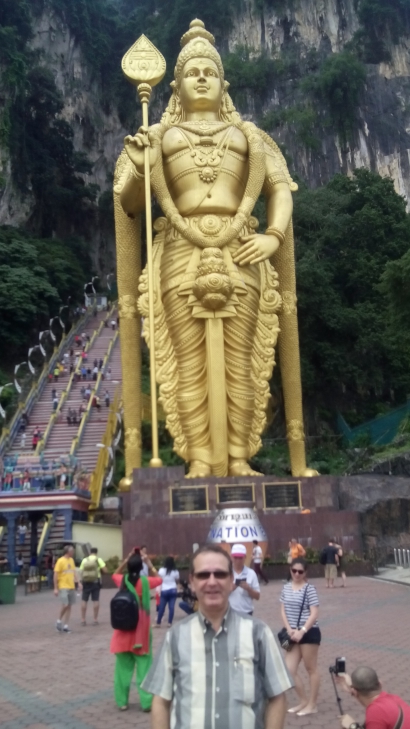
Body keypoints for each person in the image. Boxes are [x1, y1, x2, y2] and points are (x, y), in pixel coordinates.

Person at [116, 18, 318, 480]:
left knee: (243, 360)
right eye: (193, 72)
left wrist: (274, 235)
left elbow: (280, 188)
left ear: (223, 82)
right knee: (187, 362)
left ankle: (240, 458)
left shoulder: (249, 137)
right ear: (176, 86)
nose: (202, 77)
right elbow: (129, 205)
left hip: (242, 248)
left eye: (210, 70)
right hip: (180, 253)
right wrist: (142, 166)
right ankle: (200, 460)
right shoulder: (160, 137)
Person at [143, 544, 292, 729]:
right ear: (192, 581)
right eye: (203, 575)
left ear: (231, 580)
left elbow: (277, 697)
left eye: (220, 574)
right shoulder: (175, 636)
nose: (212, 582)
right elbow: (161, 700)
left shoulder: (259, 633)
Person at [111, 551, 162, 711]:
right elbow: (160, 579)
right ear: (141, 568)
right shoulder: (145, 582)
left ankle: (122, 702)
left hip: (122, 633)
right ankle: (146, 703)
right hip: (141, 635)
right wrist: (149, 563)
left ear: (128, 566)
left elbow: (114, 574)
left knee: (122, 672)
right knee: (144, 670)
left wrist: (125, 561)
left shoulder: (122, 581)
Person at [280, 557, 320, 716]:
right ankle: (303, 700)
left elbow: (314, 613)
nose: (296, 574)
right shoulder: (285, 587)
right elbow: (282, 609)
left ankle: (312, 704)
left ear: (305, 573)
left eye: (300, 571)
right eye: (294, 570)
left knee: (311, 668)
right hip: (290, 634)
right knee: (289, 669)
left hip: (308, 633)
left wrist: (302, 630)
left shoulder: (309, 589)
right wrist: (289, 629)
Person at [338, 666, 410, 729]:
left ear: (355, 692)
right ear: (380, 684)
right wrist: (351, 689)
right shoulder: (394, 698)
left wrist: (352, 726)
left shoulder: (376, 713)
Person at [54, 544, 80, 633]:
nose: (73, 552)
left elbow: (74, 572)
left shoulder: (71, 560)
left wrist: (78, 582)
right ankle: (58, 620)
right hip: (63, 586)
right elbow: (56, 574)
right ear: (68, 552)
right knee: (65, 604)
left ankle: (66, 625)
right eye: (72, 551)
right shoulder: (60, 561)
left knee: (69, 606)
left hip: (71, 586)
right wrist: (55, 588)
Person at [228, 543, 260, 615]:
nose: (238, 560)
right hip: (229, 612)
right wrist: (230, 589)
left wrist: (249, 589)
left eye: (240, 558)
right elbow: (219, 594)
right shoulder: (226, 572)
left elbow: (257, 596)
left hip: (246, 612)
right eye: (235, 557)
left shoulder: (251, 573)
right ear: (231, 557)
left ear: (245, 557)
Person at [79, 548, 107, 625]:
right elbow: (105, 570)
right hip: (95, 581)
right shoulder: (98, 559)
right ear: (96, 553)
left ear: (90, 552)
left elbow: (81, 571)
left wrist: (80, 582)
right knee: (95, 600)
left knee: (84, 600)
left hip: (86, 581)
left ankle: (83, 620)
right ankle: (95, 619)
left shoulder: (85, 560)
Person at [156, 556, 180, 627]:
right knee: (171, 607)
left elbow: (158, 579)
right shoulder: (175, 571)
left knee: (161, 607)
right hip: (173, 589)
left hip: (164, 590)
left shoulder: (161, 570)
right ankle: (169, 623)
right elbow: (177, 580)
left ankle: (158, 623)